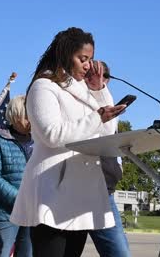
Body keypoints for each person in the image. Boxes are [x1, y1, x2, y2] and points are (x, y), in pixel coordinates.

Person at [10, 27, 125, 257]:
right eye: (82, 59)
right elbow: (52, 134)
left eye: (90, 60)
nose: (87, 65)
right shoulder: (44, 86)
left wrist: (99, 90)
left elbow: (107, 131)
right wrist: (97, 116)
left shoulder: (83, 88)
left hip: (82, 191)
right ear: (65, 54)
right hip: (53, 189)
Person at [85, 61, 131, 257]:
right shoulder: (77, 102)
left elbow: (108, 132)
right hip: (78, 188)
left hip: (105, 191)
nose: (93, 78)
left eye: (100, 74)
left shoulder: (107, 102)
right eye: (90, 73)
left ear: (108, 79)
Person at [0, 95, 33, 257]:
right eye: (27, 115)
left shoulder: (40, 141)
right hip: (5, 213)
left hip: (32, 213)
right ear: (16, 116)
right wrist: (19, 199)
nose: (31, 118)